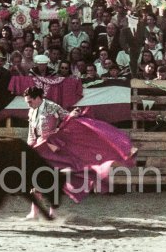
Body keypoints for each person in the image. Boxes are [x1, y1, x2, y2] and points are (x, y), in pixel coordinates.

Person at [23, 86, 135, 219]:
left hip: (55, 149)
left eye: (30, 101)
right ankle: (34, 212)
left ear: (38, 98)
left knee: (53, 180)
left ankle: (52, 212)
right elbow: (31, 131)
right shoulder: (31, 110)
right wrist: (30, 147)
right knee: (36, 178)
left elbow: (67, 118)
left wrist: (72, 115)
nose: (28, 104)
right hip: (40, 149)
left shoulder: (52, 107)